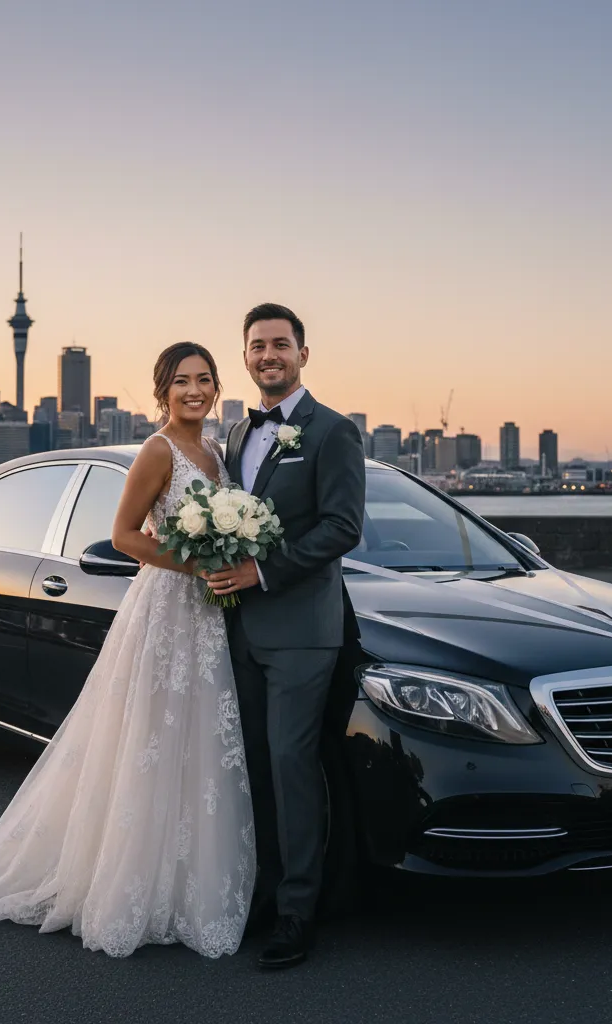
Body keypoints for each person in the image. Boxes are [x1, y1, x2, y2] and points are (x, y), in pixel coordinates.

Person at [0, 343, 256, 960]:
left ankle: (186, 881)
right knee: (150, 740)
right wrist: (195, 563)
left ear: (217, 387)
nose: (194, 390)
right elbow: (123, 536)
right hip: (166, 606)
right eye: (181, 381)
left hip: (207, 617)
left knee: (197, 740)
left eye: (204, 379)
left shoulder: (216, 452)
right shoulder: (157, 450)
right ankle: (131, 882)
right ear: (162, 390)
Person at [206, 302, 365, 969]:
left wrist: (261, 571)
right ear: (245, 356)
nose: (268, 355)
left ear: (303, 354)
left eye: (280, 344)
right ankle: (265, 893)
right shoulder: (238, 433)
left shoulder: (333, 432)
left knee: (292, 766)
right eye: (257, 346)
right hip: (239, 629)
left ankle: (300, 912)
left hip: (302, 632)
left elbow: (342, 527)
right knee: (254, 770)